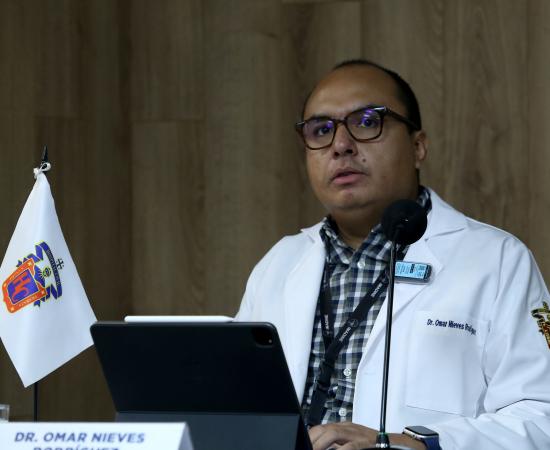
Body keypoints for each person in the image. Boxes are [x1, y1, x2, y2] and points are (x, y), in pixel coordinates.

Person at [236, 59, 550, 450]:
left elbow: (541, 414)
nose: (340, 145)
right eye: (321, 130)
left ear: (418, 147)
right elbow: (236, 406)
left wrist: (407, 445)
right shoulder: (279, 263)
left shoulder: (497, 260)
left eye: (368, 122)